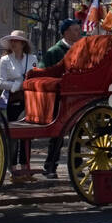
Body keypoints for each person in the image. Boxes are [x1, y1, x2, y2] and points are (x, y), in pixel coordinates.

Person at [39, 20, 80, 178]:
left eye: (79, 30)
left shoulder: (79, 49)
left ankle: (77, 166)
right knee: (57, 134)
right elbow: (43, 71)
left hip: (75, 97)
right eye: (75, 30)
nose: (79, 33)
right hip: (59, 97)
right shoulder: (55, 51)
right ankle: (50, 167)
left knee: (77, 133)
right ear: (66, 32)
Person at [0, 30, 37, 173]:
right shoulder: (5, 60)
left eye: (16, 41)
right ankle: (12, 166)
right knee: (13, 134)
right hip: (12, 99)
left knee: (27, 134)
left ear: (23, 43)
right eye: (12, 41)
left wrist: (26, 84)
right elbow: (0, 82)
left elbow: (36, 76)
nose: (13, 43)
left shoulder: (32, 58)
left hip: (28, 99)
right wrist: (16, 85)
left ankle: (25, 166)